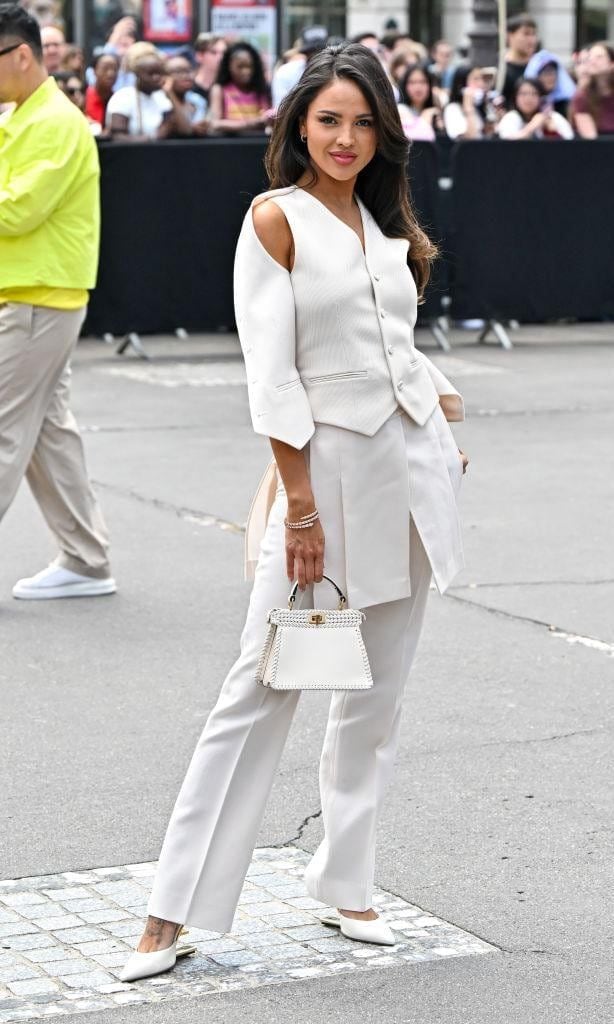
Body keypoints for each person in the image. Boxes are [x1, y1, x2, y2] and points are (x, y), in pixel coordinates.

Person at [120, 39, 467, 984]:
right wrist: (299, 510)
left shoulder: (385, 224)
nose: (346, 138)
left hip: (410, 478)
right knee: (257, 690)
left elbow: (394, 343)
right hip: (325, 481)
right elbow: (273, 381)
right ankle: (171, 908)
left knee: (376, 697)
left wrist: (439, 413)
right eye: (329, 121)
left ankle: (346, 882)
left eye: (363, 122)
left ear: (384, 132)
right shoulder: (274, 219)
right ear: (297, 125)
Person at [0, 2, 116, 600]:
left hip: (37, 296)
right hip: (34, 294)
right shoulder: (24, 114)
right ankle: (87, 558)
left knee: (8, 430)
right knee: (46, 431)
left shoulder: (53, 122)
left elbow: (18, 210)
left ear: (21, 55)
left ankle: (87, 557)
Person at [106, 51, 175, 140]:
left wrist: (170, 93)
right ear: (137, 75)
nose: (156, 77)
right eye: (151, 74)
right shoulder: (123, 97)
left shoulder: (162, 97)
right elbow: (117, 136)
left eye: (159, 73)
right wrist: (150, 139)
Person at [209, 41, 272, 135]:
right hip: (229, 145)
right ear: (229, 66)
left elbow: (266, 120)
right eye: (240, 67)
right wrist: (250, 123)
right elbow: (215, 124)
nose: (246, 71)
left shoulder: (260, 88)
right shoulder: (219, 89)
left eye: (249, 66)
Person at [497, 77, 573, 139]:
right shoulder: (511, 117)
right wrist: (532, 126)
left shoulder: (553, 117)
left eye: (534, 94)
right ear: (515, 97)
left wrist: (553, 132)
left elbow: (570, 141)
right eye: (523, 94)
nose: (528, 98)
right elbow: (507, 144)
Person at [271, 25, 327, 109]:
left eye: (321, 51)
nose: (316, 56)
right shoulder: (286, 73)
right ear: (305, 53)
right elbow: (280, 109)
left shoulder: (338, 73)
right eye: (311, 51)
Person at [163, 54, 208, 135]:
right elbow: (185, 131)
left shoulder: (198, 100)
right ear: (166, 76)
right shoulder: (160, 101)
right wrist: (170, 93)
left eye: (188, 71)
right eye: (179, 72)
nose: (186, 76)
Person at [523, 49, 576, 116]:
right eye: (546, 73)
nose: (551, 78)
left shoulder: (567, 103)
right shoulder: (527, 103)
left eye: (553, 72)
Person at [397, 64, 441, 141]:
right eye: (412, 82)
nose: (418, 87)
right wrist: (425, 120)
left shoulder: (435, 111)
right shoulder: (400, 110)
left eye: (423, 82)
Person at [502, 13, 538, 108]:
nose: (532, 40)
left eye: (533, 34)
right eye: (526, 34)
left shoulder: (541, 65)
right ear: (510, 36)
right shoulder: (500, 68)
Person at [444, 64, 488, 139]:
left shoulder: (478, 107)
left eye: (482, 79)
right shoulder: (452, 109)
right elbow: (469, 138)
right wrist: (468, 108)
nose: (481, 84)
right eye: (475, 79)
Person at [572, 68, 614, 137]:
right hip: (599, 145)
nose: (594, 62)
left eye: (599, 57)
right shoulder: (582, 97)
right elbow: (591, 138)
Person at [84, 51, 118, 128]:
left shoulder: (118, 100)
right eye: (105, 68)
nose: (110, 73)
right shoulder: (82, 96)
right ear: (94, 71)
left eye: (115, 69)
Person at [192, 31, 226, 105]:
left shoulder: (228, 87)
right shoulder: (188, 86)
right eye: (213, 52)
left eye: (224, 53)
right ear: (199, 56)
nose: (221, 57)